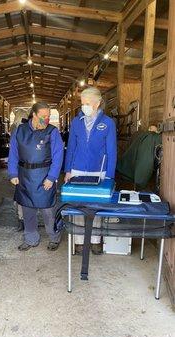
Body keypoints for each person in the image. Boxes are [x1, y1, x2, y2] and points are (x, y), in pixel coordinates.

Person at [64, 87, 117, 255]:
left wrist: (109, 176)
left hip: (98, 171)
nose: (84, 106)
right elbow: (71, 147)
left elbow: (112, 151)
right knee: (78, 207)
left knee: (96, 207)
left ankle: (95, 241)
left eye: (87, 103)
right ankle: (79, 242)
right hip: (77, 170)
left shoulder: (107, 123)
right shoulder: (76, 122)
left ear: (98, 103)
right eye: (82, 103)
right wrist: (67, 170)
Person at [8, 102, 64, 251]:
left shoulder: (52, 132)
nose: (46, 120)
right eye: (43, 116)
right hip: (24, 175)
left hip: (44, 175)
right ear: (34, 115)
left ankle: (53, 237)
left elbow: (58, 156)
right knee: (28, 210)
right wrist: (13, 173)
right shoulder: (20, 131)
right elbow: (13, 153)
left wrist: (51, 177)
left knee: (48, 210)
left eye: (48, 117)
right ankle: (31, 238)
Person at [9, 108, 30, 232]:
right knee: (27, 193)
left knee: (21, 194)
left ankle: (22, 220)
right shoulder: (24, 128)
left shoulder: (15, 128)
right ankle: (25, 220)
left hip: (21, 166)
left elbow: (13, 152)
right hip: (26, 166)